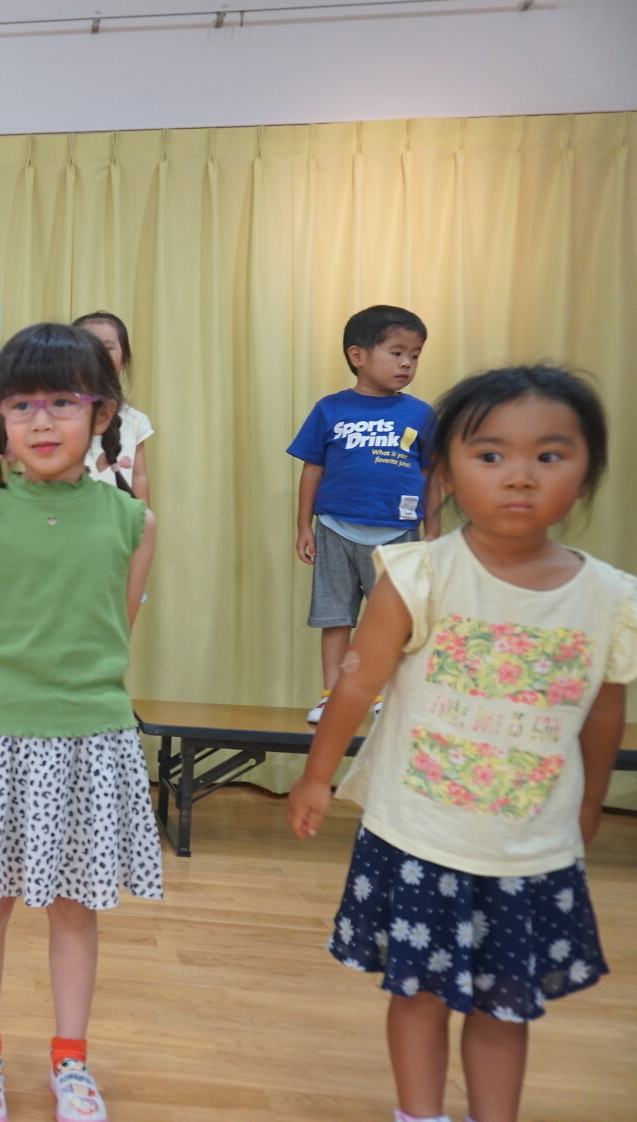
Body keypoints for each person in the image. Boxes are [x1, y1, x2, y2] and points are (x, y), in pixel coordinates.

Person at [288, 366, 631, 1122]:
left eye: (549, 455)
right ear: (441, 472)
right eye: (490, 455)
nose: (520, 475)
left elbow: (603, 715)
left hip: (528, 849)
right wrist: (317, 777)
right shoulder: (420, 574)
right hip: (419, 837)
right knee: (417, 994)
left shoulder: (610, 597)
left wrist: (591, 806)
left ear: (586, 473)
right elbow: (356, 683)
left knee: (505, 1005)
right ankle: (419, 1114)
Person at [0, 323, 160, 1122]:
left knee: (75, 908)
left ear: (103, 414)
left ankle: (71, 1061)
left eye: (63, 402)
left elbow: (116, 626)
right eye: (22, 405)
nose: (42, 421)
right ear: (0, 419)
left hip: (93, 737)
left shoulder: (132, 520)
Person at [289, 305, 439, 722]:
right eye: (397, 353)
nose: (407, 363)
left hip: (397, 535)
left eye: (415, 355)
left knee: (391, 622)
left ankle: (385, 695)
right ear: (358, 355)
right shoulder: (329, 409)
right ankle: (332, 695)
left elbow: (432, 474)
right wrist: (303, 525)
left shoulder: (420, 413)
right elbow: (312, 468)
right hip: (335, 528)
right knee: (335, 617)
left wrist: (434, 530)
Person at [74, 311, 153, 506]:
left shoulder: (135, 420)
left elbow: (139, 477)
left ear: (124, 359)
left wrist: (142, 517)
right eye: (87, 347)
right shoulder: (57, 414)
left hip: (116, 519)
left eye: (107, 348)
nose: (97, 355)